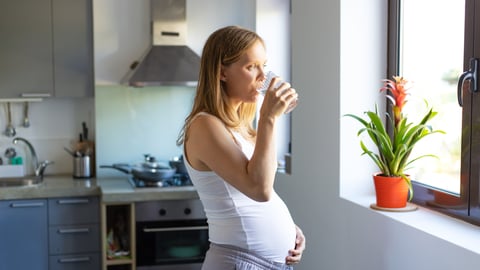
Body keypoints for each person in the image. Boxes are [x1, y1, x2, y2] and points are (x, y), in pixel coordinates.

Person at [176, 25, 305, 270]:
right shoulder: (205, 125)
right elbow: (259, 189)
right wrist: (269, 117)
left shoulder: (242, 128)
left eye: (263, 66)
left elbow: (263, 195)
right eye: (251, 67)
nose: (262, 77)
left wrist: (290, 230)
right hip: (239, 261)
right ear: (222, 72)